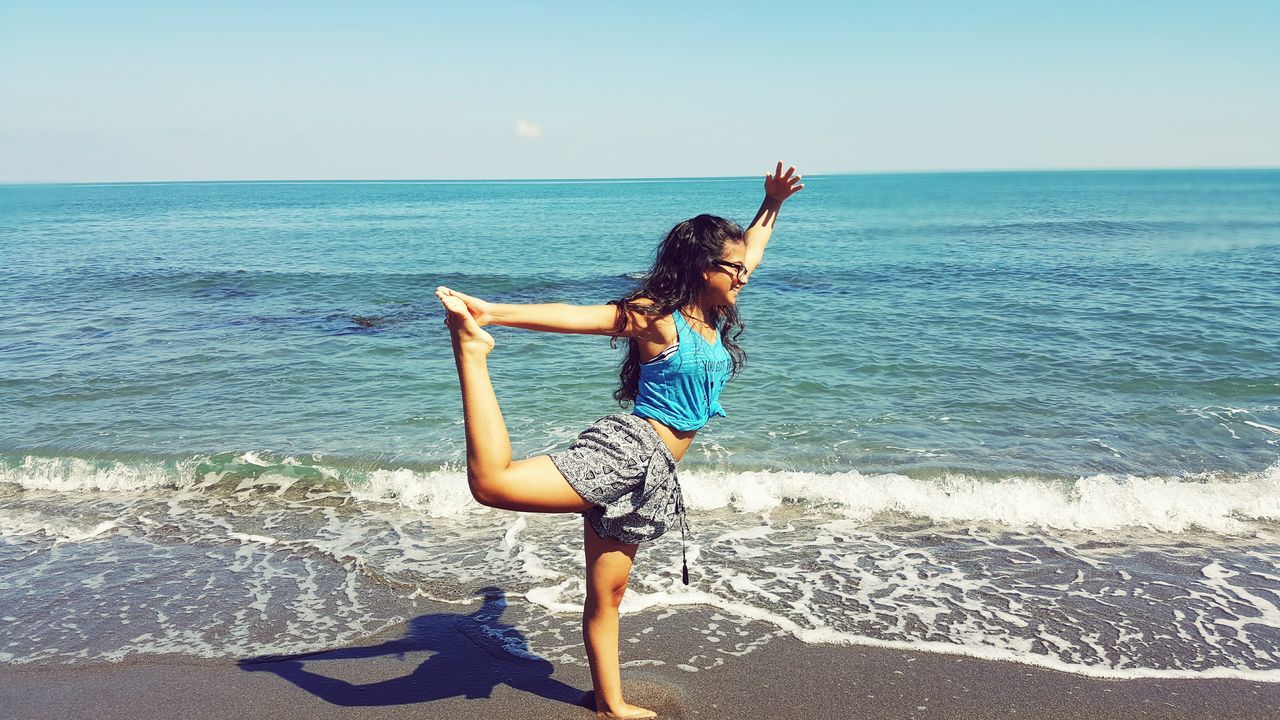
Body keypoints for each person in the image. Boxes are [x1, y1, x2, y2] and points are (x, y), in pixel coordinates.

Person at [435, 162, 803, 719]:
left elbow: (753, 247)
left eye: (740, 267)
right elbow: (578, 316)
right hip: (628, 451)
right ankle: (472, 352)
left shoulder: (712, 309)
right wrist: (493, 313)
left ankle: (610, 704)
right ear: (704, 268)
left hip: (652, 475)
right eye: (732, 268)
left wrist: (771, 202)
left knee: (607, 594)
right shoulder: (658, 318)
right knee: (492, 484)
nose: (744, 274)